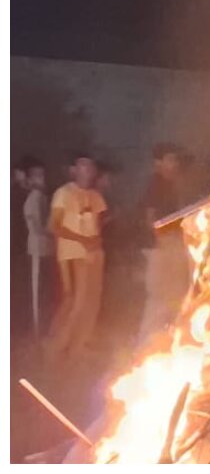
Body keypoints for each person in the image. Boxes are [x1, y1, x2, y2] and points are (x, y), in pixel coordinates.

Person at [46, 153, 107, 359]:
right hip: (73, 253)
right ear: (73, 170)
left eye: (91, 166)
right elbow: (54, 226)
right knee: (75, 301)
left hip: (94, 253)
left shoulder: (96, 196)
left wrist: (95, 242)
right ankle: (56, 345)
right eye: (83, 166)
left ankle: (80, 345)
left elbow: (97, 226)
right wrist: (82, 240)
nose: (88, 170)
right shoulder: (63, 193)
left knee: (92, 301)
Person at [138, 144, 191, 343]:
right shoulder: (156, 184)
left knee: (175, 293)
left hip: (172, 242)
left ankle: (163, 341)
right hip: (163, 245)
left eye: (175, 160)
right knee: (159, 296)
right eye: (170, 159)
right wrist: (161, 240)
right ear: (158, 163)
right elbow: (150, 216)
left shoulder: (170, 185)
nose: (174, 164)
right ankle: (144, 345)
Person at [22, 160, 53, 336]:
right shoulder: (32, 199)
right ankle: (36, 329)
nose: (43, 179)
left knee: (43, 290)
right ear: (31, 179)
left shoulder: (42, 197)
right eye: (38, 176)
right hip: (37, 250)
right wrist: (54, 231)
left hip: (45, 250)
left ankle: (43, 326)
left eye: (43, 175)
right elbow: (37, 227)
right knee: (36, 292)